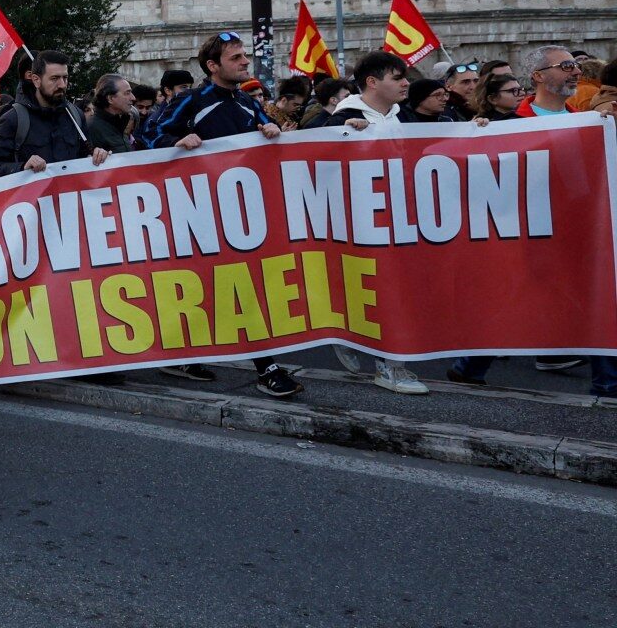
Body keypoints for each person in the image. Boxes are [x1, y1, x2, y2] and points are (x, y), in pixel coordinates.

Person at [451, 45, 617, 398]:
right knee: (514, 303)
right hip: (529, 234)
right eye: (566, 66)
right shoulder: (508, 125)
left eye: (576, 66)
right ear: (539, 76)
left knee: (602, 299)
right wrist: (476, 136)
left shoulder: (584, 118)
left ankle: (608, 384)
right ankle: (469, 366)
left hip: (581, 230)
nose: (576, 71)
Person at [143, 32, 299, 397]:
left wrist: (270, 129)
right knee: (213, 286)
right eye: (236, 58)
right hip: (198, 212)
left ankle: (265, 365)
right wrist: (176, 142)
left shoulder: (247, 101)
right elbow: (150, 138)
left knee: (246, 284)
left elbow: (265, 131)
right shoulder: (191, 101)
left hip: (244, 212)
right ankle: (251, 363)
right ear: (213, 66)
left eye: (244, 56)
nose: (245, 62)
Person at [316, 52, 435, 395]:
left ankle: (347, 331)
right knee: (382, 289)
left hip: (397, 214)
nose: (405, 84)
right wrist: (343, 135)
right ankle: (388, 366)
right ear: (372, 82)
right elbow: (312, 156)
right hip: (358, 219)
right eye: (397, 78)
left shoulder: (401, 114)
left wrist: (477, 130)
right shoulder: (346, 116)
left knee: (388, 288)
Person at [0, 51, 109, 180]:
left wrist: (97, 155)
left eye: (65, 77)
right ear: (36, 80)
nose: (62, 85)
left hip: (69, 196)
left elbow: (85, 156)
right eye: (54, 78)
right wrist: (22, 167)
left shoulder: (75, 115)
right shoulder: (13, 118)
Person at [86, 74, 136, 154]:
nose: (133, 98)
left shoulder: (120, 123)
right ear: (110, 98)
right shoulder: (91, 128)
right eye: (127, 93)